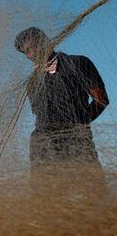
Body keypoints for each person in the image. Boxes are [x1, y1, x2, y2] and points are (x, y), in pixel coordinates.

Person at [14, 27, 109, 187]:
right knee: (45, 195)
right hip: (42, 143)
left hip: (76, 138)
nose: (32, 54)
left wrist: (80, 124)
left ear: (45, 41)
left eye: (34, 46)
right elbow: (39, 113)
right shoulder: (31, 83)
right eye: (26, 51)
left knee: (91, 188)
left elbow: (101, 100)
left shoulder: (78, 63)